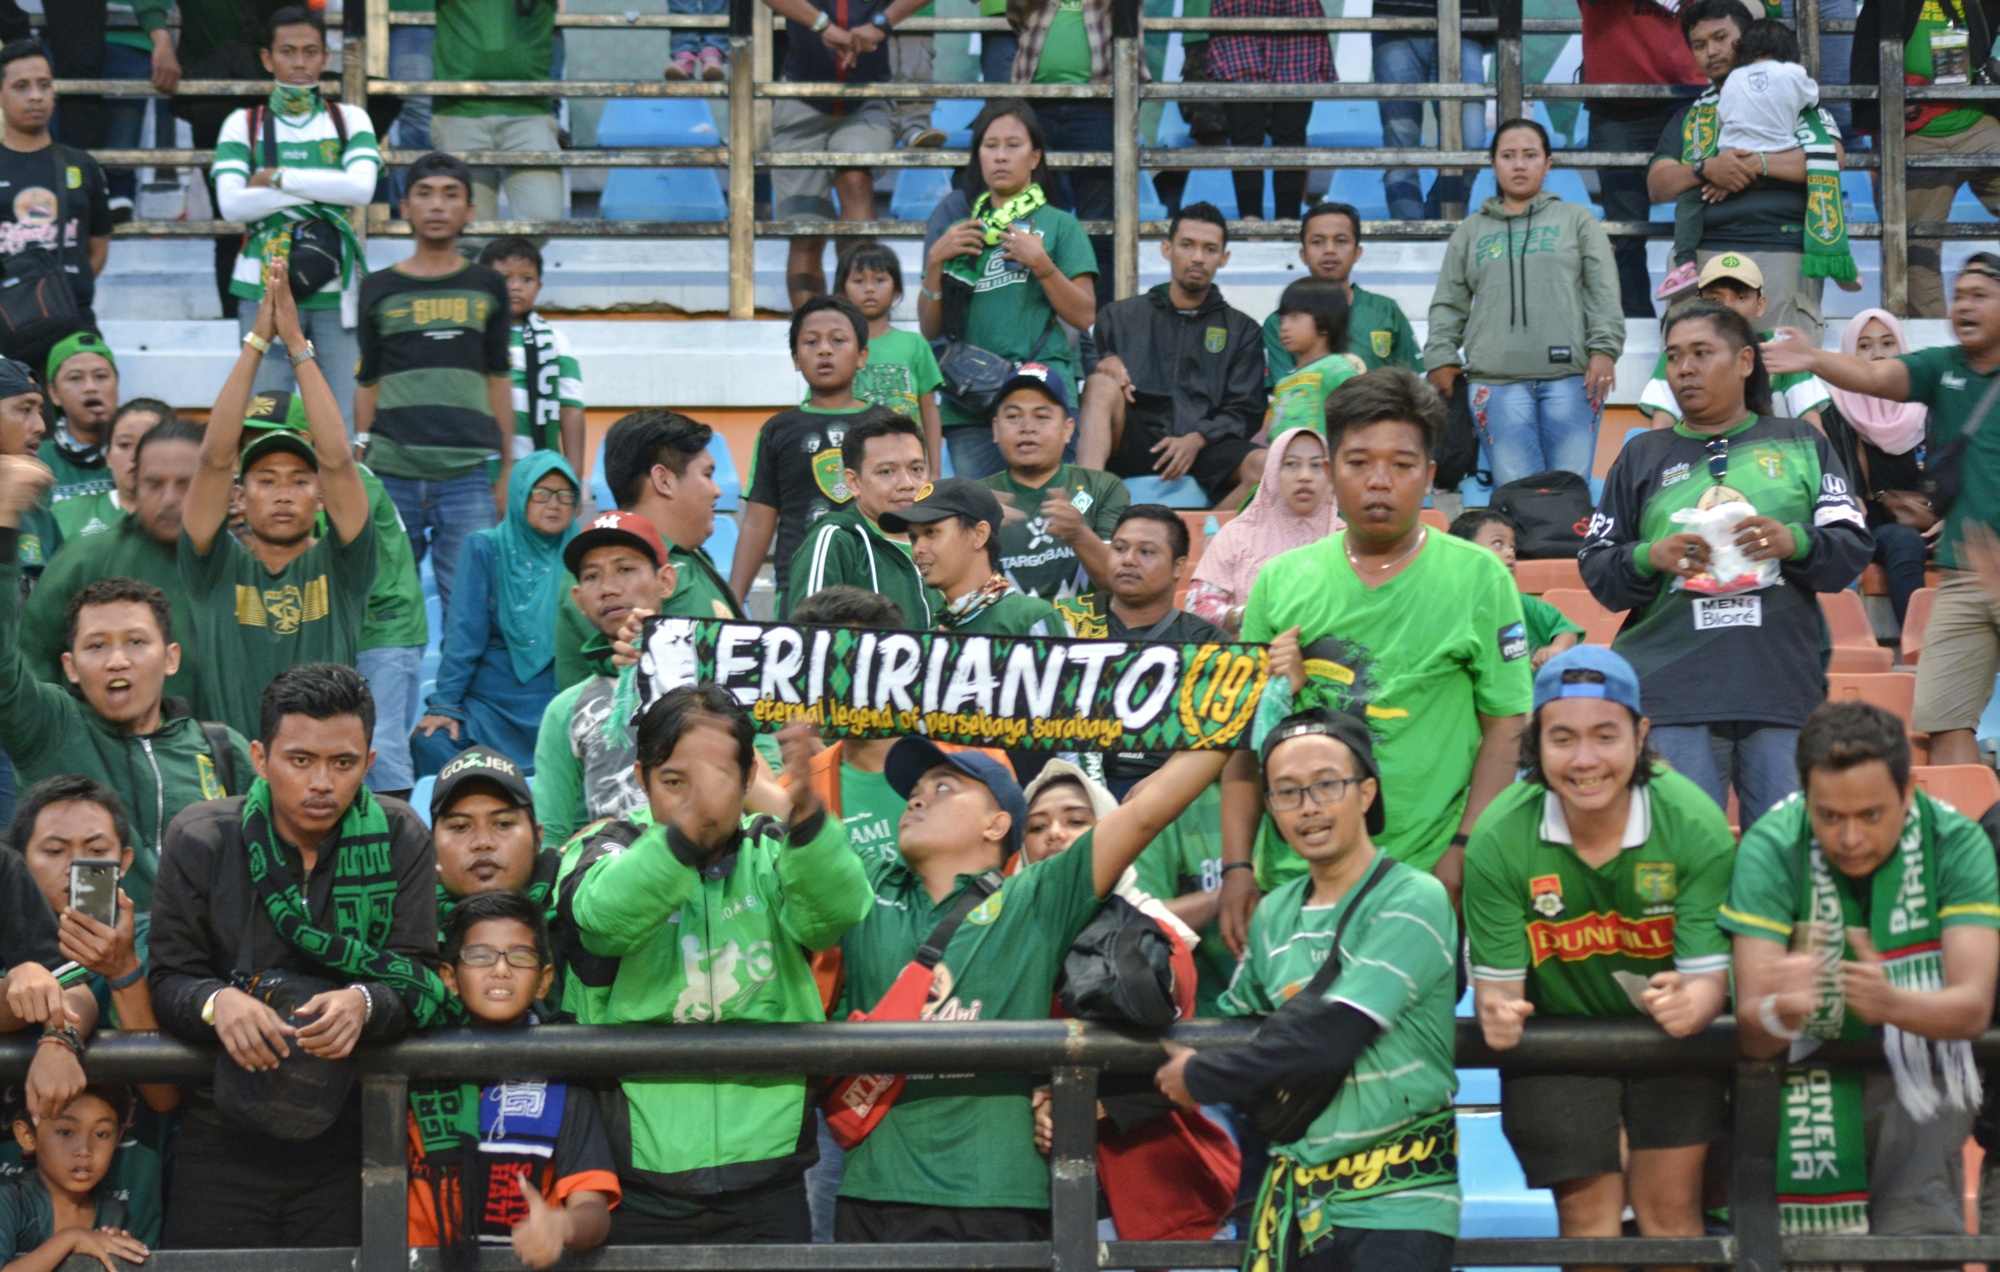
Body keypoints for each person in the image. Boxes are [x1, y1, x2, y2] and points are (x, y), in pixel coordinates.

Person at [832, 730, 1228, 1243]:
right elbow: (790, 819)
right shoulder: (868, 888)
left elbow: (1149, 810)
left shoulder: (1036, 898)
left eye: (945, 786)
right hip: (870, 1193)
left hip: (999, 1199)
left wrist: (1236, 715)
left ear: (998, 825)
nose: (917, 797)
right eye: (914, 791)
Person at [1224, 371, 1532, 938]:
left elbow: (1507, 725)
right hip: (1296, 881)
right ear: (1332, 471)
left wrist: (1462, 849)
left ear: (1430, 475)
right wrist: (1239, 865)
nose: (1379, 482)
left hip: (1424, 877)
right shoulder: (1280, 582)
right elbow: (1246, 743)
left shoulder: (1480, 578)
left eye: (1402, 464)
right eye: (1359, 462)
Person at [149, 663, 444, 1250]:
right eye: (300, 760)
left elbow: (419, 978)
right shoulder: (201, 838)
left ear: (369, 759)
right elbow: (168, 980)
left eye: (343, 763)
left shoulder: (401, 835)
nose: (322, 784)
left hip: (353, 1128)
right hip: (219, 1128)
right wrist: (217, 1002)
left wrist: (365, 1001)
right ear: (260, 758)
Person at [1156, 708, 1460, 1272]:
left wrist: (1198, 1076)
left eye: (1327, 785)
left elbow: (1332, 1035)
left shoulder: (1414, 899)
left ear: (1367, 792)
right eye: (1287, 793)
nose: (1309, 808)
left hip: (1396, 1209)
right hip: (1297, 1206)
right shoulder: (1274, 912)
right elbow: (1243, 1031)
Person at [559, 690, 868, 1244]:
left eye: (718, 779)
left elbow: (835, 915)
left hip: (770, 1181)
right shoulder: (601, 847)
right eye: (675, 782)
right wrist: (681, 840)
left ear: (751, 774)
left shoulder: (778, 846)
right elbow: (602, 921)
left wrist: (808, 821)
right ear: (641, 776)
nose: (697, 802)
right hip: (640, 1184)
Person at [1466, 646, 1733, 1258]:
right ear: (1536, 743)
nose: (1586, 760)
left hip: (1669, 1041)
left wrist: (1694, 1003)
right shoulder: (1499, 837)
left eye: (1605, 736)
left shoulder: (1694, 825)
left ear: (1640, 735)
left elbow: (1706, 984)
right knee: (1588, 1220)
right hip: (1559, 1035)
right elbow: (1499, 990)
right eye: (1563, 739)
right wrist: (1499, 1013)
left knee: (1670, 1213)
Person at [1724, 700, 2000, 1253]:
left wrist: (1891, 1004)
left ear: (1907, 793)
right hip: (1798, 1082)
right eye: (1830, 817)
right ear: (1805, 797)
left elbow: (1971, 1008)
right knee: (1807, 1258)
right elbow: (1754, 1033)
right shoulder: (1770, 847)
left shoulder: (1958, 842)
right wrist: (1785, 1011)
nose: (1849, 838)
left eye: (1871, 815)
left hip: (1923, 1078)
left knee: (1916, 1247)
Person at [1583, 301, 1871, 824]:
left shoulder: (1802, 443)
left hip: (1780, 687)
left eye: (1700, 353)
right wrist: (1652, 556)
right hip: (1671, 692)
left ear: (1744, 362)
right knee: (1683, 866)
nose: (1684, 369)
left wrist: (1796, 542)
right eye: (1673, 357)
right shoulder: (1641, 454)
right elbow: (1599, 569)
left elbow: (1851, 548)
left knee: (1786, 865)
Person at [1763, 255, 2000, 768]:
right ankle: (1971, 840)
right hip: (1962, 580)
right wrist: (1814, 359)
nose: (1964, 305)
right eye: (1959, 294)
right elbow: (1874, 376)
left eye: (1980, 295)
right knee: (1943, 720)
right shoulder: (1943, 367)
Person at [180, 266, 377, 744]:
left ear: (322, 496)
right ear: (239, 497)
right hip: (231, 780)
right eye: (266, 480)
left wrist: (297, 346)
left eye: (299, 480)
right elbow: (211, 460)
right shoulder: (214, 569)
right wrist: (255, 342)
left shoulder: (342, 567)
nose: (284, 493)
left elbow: (338, 459)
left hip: (325, 774)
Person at [0, 551, 251, 912]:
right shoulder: (51, 730)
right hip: (90, 954)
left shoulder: (221, 747)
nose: (117, 661)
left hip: (210, 959)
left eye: (136, 642)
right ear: (70, 666)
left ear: (171, 658)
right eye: (97, 645)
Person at [1053, 505, 1233, 1002]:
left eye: (1147, 552)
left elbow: (1217, 739)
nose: (1128, 560)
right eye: (1121, 548)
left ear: (1180, 568)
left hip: (1178, 804)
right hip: (1079, 793)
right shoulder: (1068, 628)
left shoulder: (1208, 643)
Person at [409, 891, 616, 1268]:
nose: (501, 969)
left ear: (543, 980)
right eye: (480, 955)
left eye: (520, 956)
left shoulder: (563, 1082)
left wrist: (562, 1225)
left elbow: (594, 1211)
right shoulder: (414, 1073)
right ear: (450, 977)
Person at [355, 151, 513, 611]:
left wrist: (505, 469)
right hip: (392, 471)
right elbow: (368, 380)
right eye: (424, 194)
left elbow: (498, 377)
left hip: (467, 474)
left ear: (470, 209)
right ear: (404, 207)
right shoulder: (379, 287)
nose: (437, 206)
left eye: (451, 195)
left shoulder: (488, 285)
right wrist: (362, 460)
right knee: (387, 607)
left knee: (472, 609)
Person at [1426, 118, 1623, 487]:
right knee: (1516, 493)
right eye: (1508, 156)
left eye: (1530, 155)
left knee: (1568, 489)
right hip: (1495, 383)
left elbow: (1604, 293)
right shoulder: (1470, 231)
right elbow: (1448, 303)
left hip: (1572, 381)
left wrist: (1604, 350)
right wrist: (1440, 356)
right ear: (1493, 164)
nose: (1519, 165)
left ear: (1548, 164)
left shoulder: (1577, 221)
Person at [212, 6, 378, 431]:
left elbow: (361, 189)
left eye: (310, 51)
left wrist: (278, 179)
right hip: (260, 285)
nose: (300, 63)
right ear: (268, 58)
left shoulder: (349, 119)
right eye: (288, 52)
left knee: (339, 422)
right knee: (267, 417)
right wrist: (325, 189)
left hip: (335, 288)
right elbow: (231, 204)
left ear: (326, 57)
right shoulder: (242, 124)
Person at [1646, 0, 1849, 344]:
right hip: (1703, 254)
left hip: (1783, 249)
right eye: (1700, 45)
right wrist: (1706, 168)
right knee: (1703, 378)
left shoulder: (1796, 103)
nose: (1712, 51)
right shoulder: (1690, 118)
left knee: (1784, 380)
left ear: (1746, 39)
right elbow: (1658, 185)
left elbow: (1835, 158)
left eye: (1722, 37)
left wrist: (1757, 163)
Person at [920, 100, 1099, 481]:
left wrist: (1041, 264)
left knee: (1046, 521)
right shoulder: (961, 227)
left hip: (1043, 395)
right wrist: (935, 263)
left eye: (1013, 146)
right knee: (982, 522)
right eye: (990, 145)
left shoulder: (1061, 226)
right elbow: (930, 329)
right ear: (978, 156)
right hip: (972, 402)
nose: (1001, 156)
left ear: (1035, 157)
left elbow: (1084, 314)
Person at [10, 775, 179, 1130]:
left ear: (126, 861)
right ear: (20, 861)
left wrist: (123, 969)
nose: (76, 868)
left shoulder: (158, 940)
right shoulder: (8, 938)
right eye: (55, 851)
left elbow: (163, 1095)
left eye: (97, 852)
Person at [1076, 203, 1268, 510]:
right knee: (1099, 385)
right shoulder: (1120, 316)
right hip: (1135, 440)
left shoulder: (1242, 330)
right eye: (1187, 245)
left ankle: (1209, 546)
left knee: (1267, 467)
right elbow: (1086, 373)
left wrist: (1198, 438)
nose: (1197, 257)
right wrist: (1105, 362)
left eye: (1209, 249)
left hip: (1208, 448)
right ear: (1167, 249)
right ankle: (1085, 513)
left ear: (1224, 257)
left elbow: (1245, 410)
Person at [414, 453, 579, 778]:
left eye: (565, 495)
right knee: (430, 743)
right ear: (520, 495)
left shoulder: (583, 551)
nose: (555, 504)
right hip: (489, 706)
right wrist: (444, 705)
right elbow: (464, 634)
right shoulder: (485, 548)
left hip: (559, 701)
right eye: (542, 492)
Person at [554, 410, 741, 689]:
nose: (717, 491)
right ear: (663, 480)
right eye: (707, 475)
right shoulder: (594, 574)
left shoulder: (691, 556)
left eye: (626, 569)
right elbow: (622, 666)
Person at [21, 418, 201, 705]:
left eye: (185, 484)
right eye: (154, 484)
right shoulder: (84, 561)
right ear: (135, 481)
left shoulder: (242, 566)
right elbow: (33, 662)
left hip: (226, 746)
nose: (169, 499)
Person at [762, 0, 926, 307]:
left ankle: (860, 328)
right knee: (805, 230)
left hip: (866, 96)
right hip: (801, 95)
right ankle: (808, 336)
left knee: (855, 179)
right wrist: (822, 24)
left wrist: (881, 22)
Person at [533, 510, 678, 849]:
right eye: (592, 576)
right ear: (579, 599)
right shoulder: (566, 711)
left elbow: (767, 776)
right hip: (616, 892)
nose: (609, 589)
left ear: (666, 581)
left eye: (625, 569)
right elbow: (550, 836)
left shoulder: (713, 683)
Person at [1855, 0, 2000, 316]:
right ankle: (1935, 350)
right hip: (1913, 132)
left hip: (1977, 121)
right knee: (1915, 256)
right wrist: (1877, 128)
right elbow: (1864, 60)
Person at [732, 297, 878, 607]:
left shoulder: (888, 426)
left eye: (838, 340)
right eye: (811, 342)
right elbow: (759, 521)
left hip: (877, 581)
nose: (825, 349)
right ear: (796, 358)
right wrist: (734, 595)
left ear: (862, 355)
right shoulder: (778, 431)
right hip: (801, 585)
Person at [1580, 0, 1706, 317]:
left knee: (1705, 212)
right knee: (1625, 228)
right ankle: (1635, 319)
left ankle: (1706, 312)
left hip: (1689, 95)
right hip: (1616, 102)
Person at [1817, 309, 1933, 625]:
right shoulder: (1835, 412)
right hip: (1866, 528)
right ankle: (1917, 644)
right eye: (1865, 346)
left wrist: (1945, 515)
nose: (1878, 354)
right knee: (1903, 541)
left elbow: (1946, 472)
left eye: (1887, 343)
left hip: (1929, 521)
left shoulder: (1926, 407)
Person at [982, 363, 1126, 600]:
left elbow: (1119, 584)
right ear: (996, 429)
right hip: (1005, 634)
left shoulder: (1103, 488)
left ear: (1068, 429)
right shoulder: (976, 497)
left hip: (1086, 633)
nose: (1027, 428)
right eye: (1013, 416)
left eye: (1041, 416)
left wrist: (1078, 534)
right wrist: (976, 534)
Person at [1638, 253, 1831, 430]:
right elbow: (1661, 430)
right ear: (1699, 303)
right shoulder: (1679, 352)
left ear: (1760, 305)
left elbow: (1813, 432)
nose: (1728, 307)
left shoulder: (1782, 349)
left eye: (1740, 297)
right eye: (1715, 298)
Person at [785, 410, 939, 628]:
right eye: (887, 472)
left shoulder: (943, 540)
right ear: (853, 482)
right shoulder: (835, 540)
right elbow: (811, 638)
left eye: (916, 469)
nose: (907, 483)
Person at [0, 41, 111, 343]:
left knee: (92, 383)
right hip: (6, 327)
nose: (35, 95)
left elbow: (98, 244)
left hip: (75, 322)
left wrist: (62, 290)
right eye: (21, 86)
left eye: (44, 85)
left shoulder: (82, 165)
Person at [1185, 427, 1337, 635]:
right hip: (1249, 659)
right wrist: (1250, 615)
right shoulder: (1236, 535)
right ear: (1273, 472)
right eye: (1291, 464)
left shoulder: (1347, 538)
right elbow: (1198, 607)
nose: (1304, 476)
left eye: (1316, 465)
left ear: (1331, 476)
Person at [880, 477, 1070, 636]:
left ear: (979, 535)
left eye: (931, 532)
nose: (918, 548)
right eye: (913, 537)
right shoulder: (930, 640)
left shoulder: (1031, 619)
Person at [429, 0, 564, 224]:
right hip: (459, 109)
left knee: (542, 220)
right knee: (468, 231)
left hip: (529, 109)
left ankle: (504, 259)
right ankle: (488, 258)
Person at [1262, 203, 1422, 384]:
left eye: (1341, 241)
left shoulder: (1386, 310)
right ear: (1303, 254)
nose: (1329, 250)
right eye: (1317, 242)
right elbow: (1287, 391)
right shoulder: (1279, 322)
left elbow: (1412, 384)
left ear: (1357, 252)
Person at [0, 1087, 147, 1269]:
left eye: (101, 1134)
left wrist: (119, 1256)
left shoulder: (114, 1214)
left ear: (118, 1138)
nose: (84, 1150)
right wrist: (72, 1239)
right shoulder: (10, 1201)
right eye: (66, 1132)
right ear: (28, 1135)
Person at [1204, 2, 1325, 221]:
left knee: (1290, 136)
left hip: (1295, 15)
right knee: (1245, 136)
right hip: (1240, 14)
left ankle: (1286, 225)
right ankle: (1252, 227)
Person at [1372, 0, 1492, 219]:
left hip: (1464, 22)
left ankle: (1438, 226)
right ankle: (1412, 238)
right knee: (1400, 149)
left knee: (1471, 144)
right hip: (1394, 21)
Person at [478, 236, 586, 476]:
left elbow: (571, 411)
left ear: (539, 286)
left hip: (536, 471)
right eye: (505, 278)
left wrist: (575, 475)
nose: (516, 287)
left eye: (526, 279)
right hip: (478, 471)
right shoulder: (472, 336)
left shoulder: (555, 341)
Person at [839, 244, 946, 467]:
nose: (869, 289)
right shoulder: (838, 350)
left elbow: (929, 410)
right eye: (859, 281)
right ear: (842, 292)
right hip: (859, 463)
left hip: (909, 460)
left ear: (896, 290)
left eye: (879, 280)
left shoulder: (914, 344)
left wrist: (934, 469)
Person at [1450, 509, 1583, 667]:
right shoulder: (1453, 608)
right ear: (1464, 552)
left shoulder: (1524, 604)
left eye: (1512, 548)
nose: (1510, 553)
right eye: (1498, 544)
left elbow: (1566, 630)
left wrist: (1556, 648)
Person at [49, 398, 169, 544]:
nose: (135, 456)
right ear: (108, 456)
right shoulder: (64, 513)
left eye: (148, 443)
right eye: (124, 445)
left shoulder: (190, 518)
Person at [1265, 279, 1361, 438]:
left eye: (1295, 317)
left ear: (1325, 322)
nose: (1284, 327)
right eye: (1282, 319)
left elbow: (1359, 418)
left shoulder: (1336, 368)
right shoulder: (1283, 383)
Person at [38, 332, 118, 515]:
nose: (91, 387)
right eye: (75, 378)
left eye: (101, 376)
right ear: (53, 394)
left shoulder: (139, 453)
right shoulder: (38, 460)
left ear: (117, 386)